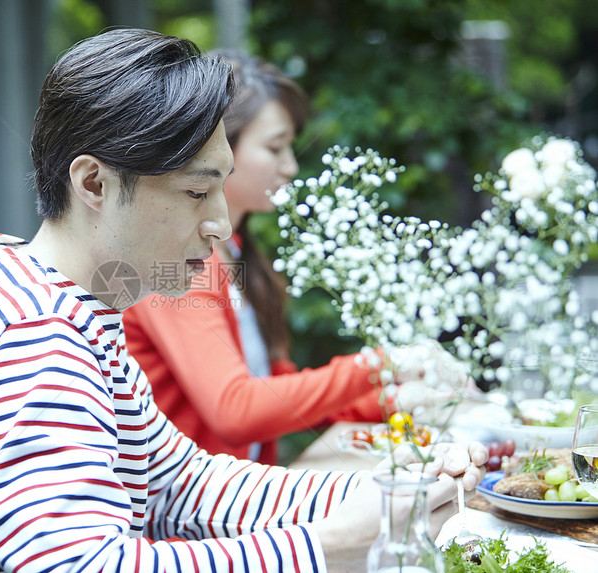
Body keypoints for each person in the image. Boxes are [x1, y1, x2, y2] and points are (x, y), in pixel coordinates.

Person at [0, 29, 485, 573]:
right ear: (94, 181)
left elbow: (182, 482)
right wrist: (333, 541)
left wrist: (389, 491)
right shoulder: (35, 340)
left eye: (222, 190)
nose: (219, 225)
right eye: (193, 193)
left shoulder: (58, 292)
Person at [123, 51, 464, 465]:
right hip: (190, 514)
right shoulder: (179, 263)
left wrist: (388, 398)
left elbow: (271, 385)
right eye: (275, 147)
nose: (290, 166)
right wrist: (378, 364)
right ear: (217, 149)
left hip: (236, 491)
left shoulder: (236, 254)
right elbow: (234, 408)